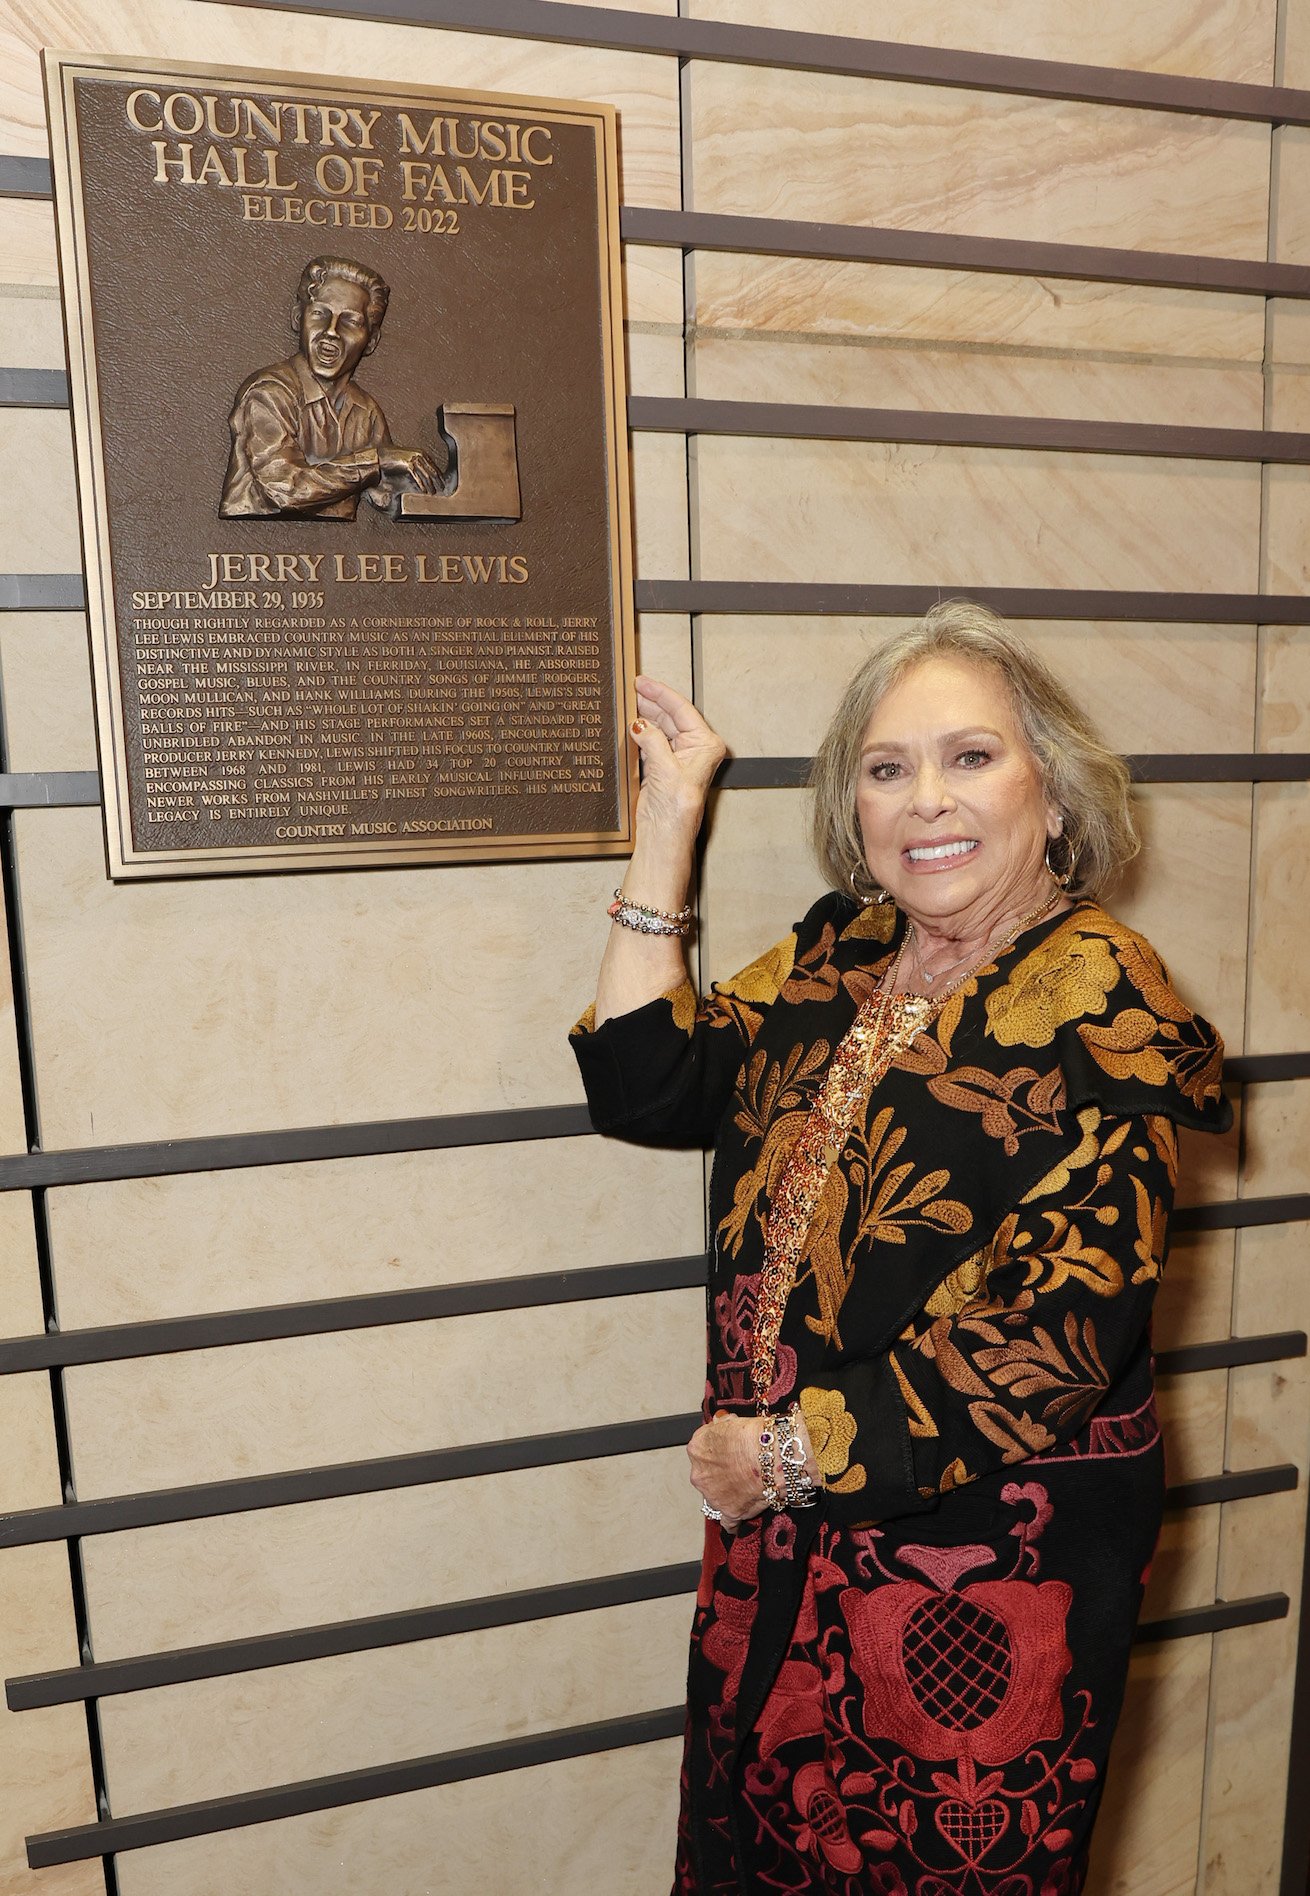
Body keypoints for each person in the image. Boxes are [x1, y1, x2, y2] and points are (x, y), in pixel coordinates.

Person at [569, 600, 1231, 1896]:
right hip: (776, 1551)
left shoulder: (1107, 1003)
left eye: (969, 756)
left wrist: (778, 1457)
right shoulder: (845, 954)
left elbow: (1052, 1339)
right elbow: (644, 1083)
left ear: (1052, 793)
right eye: (886, 768)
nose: (925, 798)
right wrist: (669, 820)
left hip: (980, 1571)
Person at [219, 255, 441, 519]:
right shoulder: (269, 393)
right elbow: (284, 490)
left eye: (350, 321)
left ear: (371, 341)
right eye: (320, 314)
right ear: (298, 319)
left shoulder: (365, 411)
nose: (331, 331)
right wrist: (377, 461)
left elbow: (387, 494)